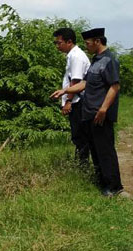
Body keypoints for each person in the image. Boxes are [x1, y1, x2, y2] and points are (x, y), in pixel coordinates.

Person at [51, 28, 123, 197]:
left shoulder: (109, 60)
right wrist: (64, 91)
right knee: (96, 149)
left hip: (100, 114)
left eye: (88, 43)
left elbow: (114, 86)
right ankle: (102, 182)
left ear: (97, 41)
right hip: (90, 112)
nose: (86, 46)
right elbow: (84, 83)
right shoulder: (96, 60)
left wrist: (104, 108)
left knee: (105, 150)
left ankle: (114, 186)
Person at [53, 27, 91, 166]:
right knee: (78, 135)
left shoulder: (76, 56)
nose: (57, 45)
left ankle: (83, 165)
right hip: (76, 99)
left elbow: (76, 81)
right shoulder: (72, 55)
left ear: (69, 42)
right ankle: (82, 163)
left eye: (59, 42)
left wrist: (68, 101)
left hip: (78, 101)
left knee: (80, 135)